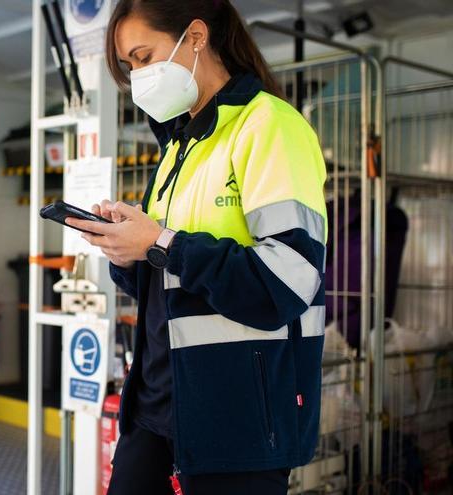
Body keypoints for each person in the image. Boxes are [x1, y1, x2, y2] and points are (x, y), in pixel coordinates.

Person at [66, 1, 327, 494]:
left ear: (196, 36)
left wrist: (161, 242)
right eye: (129, 66)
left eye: (144, 56)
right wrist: (128, 252)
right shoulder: (178, 147)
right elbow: (169, 272)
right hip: (156, 402)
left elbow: (289, 281)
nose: (139, 75)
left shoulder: (269, 127)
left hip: (239, 414)